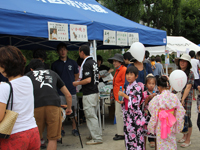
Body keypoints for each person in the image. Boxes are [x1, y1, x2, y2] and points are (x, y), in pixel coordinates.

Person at [26, 59, 72, 150]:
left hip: (36, 106)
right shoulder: (53, 73)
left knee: (36, 137)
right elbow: (68, 95)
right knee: (53, 138)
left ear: (31, 69)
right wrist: (68, 108)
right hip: (54, 105)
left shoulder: (28, 76)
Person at [0, 46, 40, 149]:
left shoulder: (4, 88)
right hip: (33, 132)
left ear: (4, 65)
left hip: (14, 135)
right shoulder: (28, 80)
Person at [73, 45, 103, 145]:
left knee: (90, 115)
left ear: (82, 52)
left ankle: (97, 138)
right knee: (93, 114)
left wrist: (77, 83)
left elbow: (88, 79)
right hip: (95, 91)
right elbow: (97, 76)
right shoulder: (94, 62)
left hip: (89, 92)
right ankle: (93, 134)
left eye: (79, 51)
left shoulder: (86, 64)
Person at [147, 76, 185, 150]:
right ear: (168, 86)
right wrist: (178, 123)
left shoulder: (157, 98)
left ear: (158, 87)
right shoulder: (174, 97)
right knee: (172, 140)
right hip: (171, 121)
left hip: (161, 122)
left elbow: (151, 109)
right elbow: (181, 111)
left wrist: (152, 124)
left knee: (161, 142)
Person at [51, 42, 79, 137]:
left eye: (64, 49)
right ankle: (61, 130)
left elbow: (76, 76)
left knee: (73, 112)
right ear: (58, 52)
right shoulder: (54, 64)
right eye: (60, 50)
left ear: (67, 50)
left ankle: (74, 128)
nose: (63, 51)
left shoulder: (73, 63)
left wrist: (71, 84)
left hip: (71, 91)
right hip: (60, 92)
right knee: (61, 112)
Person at [118, 66, 145, 150]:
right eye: (127, 74)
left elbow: (135, 103)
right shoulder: (128, 86)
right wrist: (122, 102)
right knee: (129, 136)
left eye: (131, 74)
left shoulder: (137, 87)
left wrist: (124, 95)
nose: (128, 76)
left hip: (135, 116)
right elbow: (127, 101)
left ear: (136, 76)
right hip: (128, 116)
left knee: (136, 137)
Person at [174, 54, 194, 147]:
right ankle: (184, 136)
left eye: (184, 61)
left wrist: (182, 99)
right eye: (181, 60)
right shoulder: (177, 72)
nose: (182, 62)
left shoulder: (190, 73)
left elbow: (188, 87)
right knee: (181, 118)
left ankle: (188, 139)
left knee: (187, 118)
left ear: (188, 63)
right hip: (178, 98)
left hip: (186, 98)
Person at [107, 53, 127, 141]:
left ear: (120, 61)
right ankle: (120, 132)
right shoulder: (118, 70)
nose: (114, 63)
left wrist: (121, 96)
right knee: (118, 114)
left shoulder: (123, 70)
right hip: (117, 96)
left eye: (115, 61)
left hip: (120, 96)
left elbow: (124, 84)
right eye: (113, 61)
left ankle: (121, 133)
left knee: (119, 114)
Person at [140, 74, 157, 149]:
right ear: (146, 84)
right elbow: (142, 105)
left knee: (155, 134)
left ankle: (157, 147)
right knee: (145, 133)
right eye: (149, 83)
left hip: (154, 115)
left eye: (153, 84)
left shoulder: (157, 93)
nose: (151, 85)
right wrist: (147, 98)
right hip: (146, 115)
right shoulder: (144, 93)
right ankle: (144, 148)